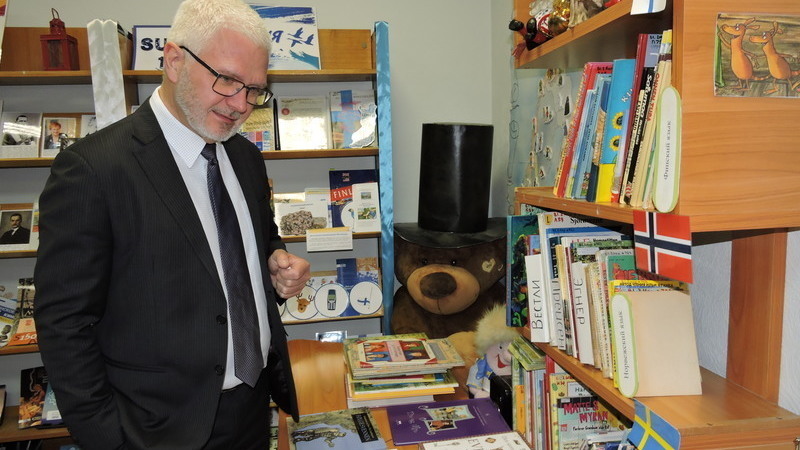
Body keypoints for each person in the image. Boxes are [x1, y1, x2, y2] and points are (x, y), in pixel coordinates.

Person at [33, 0, 311, 448]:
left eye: (255, 89)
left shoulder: (245, 157)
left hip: (251, 408)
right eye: (226, 80)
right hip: (154, 430)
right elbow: (64, 323)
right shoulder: (93, 169)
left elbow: (254, 243)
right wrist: (109, 439)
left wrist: (276, 262)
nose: (240, 104)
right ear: (175, 60)